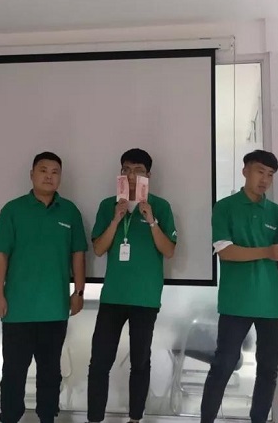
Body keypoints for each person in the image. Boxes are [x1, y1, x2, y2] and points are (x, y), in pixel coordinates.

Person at [0, 152, 87, 423]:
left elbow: (78, 255)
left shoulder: (70, 211)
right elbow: (0, 255)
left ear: (60, 178)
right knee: (14, 372)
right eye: (43, 170)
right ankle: (10, 417)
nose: (49, 176)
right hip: (17, 308)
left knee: (50, 372)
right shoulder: (12, 210)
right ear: (32, 175)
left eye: (55, 172)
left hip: (55, 308)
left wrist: (79, 292)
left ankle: (47, 417)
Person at [200, 149, 278, 423]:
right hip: (236, 302)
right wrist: (267, 251)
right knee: (223, 365)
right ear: (245, 171)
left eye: (270, 175)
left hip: (272, 304)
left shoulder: (276, 213)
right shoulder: (225, 207)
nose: (264, 179)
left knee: (268, 370)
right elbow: (226, 252)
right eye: (259, 172)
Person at [87, 148, 178, 423]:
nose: (131, 175)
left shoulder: (161, 206)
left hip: (145, 298)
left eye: (138, 170)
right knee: (100, 361)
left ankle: (135, 418)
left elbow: (169, 251)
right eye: (126, 169)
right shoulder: (108, 205)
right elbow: (99, 249)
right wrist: (116, 218)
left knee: (140, 362)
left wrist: (151, 220)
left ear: (148, 175)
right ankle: (94, 418)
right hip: (113, 296)